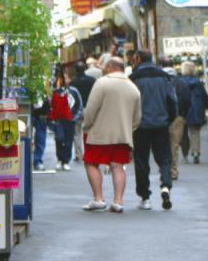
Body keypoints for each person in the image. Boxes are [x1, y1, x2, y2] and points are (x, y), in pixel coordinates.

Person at [80, 58, 142, 213]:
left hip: (99, 133)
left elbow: (91, 109)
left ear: (110, 67)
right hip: (122, 135)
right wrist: (129, 129)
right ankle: (118, 201)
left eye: (105, 66)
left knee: (91, 162)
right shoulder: (133, 88)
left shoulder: (102, 83)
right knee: (118, 166)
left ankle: (98, 198)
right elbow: (137, 117)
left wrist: (86, 125)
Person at [129, 50, 177, 210]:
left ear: (138, 59)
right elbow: (172, 101)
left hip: (140, 126)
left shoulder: (134, 79)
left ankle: (145, 197)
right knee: (164, 158)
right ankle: (165, 185)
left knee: (142, 161)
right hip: (161, 125)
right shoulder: (164, 77)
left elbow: (130, 103)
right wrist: (168, 119)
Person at [159, 57, 191, 179]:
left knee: (161, 144)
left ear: (161, 66)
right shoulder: (181, 82)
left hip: (161, 116)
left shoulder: (159, 80)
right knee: (174, 145)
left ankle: (164, 169)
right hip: (178, 117)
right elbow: (188, 99)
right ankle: (172, 171)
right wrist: (183, 115)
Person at [48, 67, 83, 171]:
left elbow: (79, 105)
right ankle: (59, 159)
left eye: (66, 78)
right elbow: (51, 106)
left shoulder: (74, 91)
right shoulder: (54, 92)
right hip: (58, 120)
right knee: (59, 139)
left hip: (70, 120)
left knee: (68, 140)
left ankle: (66, 160)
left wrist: (75, 117)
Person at [180, 61, 208, 164]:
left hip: (183, 110)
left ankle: (184, 155)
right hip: (196, 110)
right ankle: (196, 152)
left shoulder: (180, 82)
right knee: (195, 132)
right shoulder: (198, 83)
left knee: (183, 133)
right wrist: (205, 107)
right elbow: (204, 96)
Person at [70, 62, 96, 164]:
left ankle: (78, 155)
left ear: (75, 70)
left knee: (77, 133)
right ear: (85, 69)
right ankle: (91, 153)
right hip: (90, 108)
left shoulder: (73, 82)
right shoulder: (92, 80)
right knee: (90, 132)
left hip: (77, 110)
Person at [31, 89, 50, 171]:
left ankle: (37, 161)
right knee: (40, 139)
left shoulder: (44, 89)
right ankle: (37, 161)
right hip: (40, 115)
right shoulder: (44, 88)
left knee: (40, 139)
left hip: (41, 115)